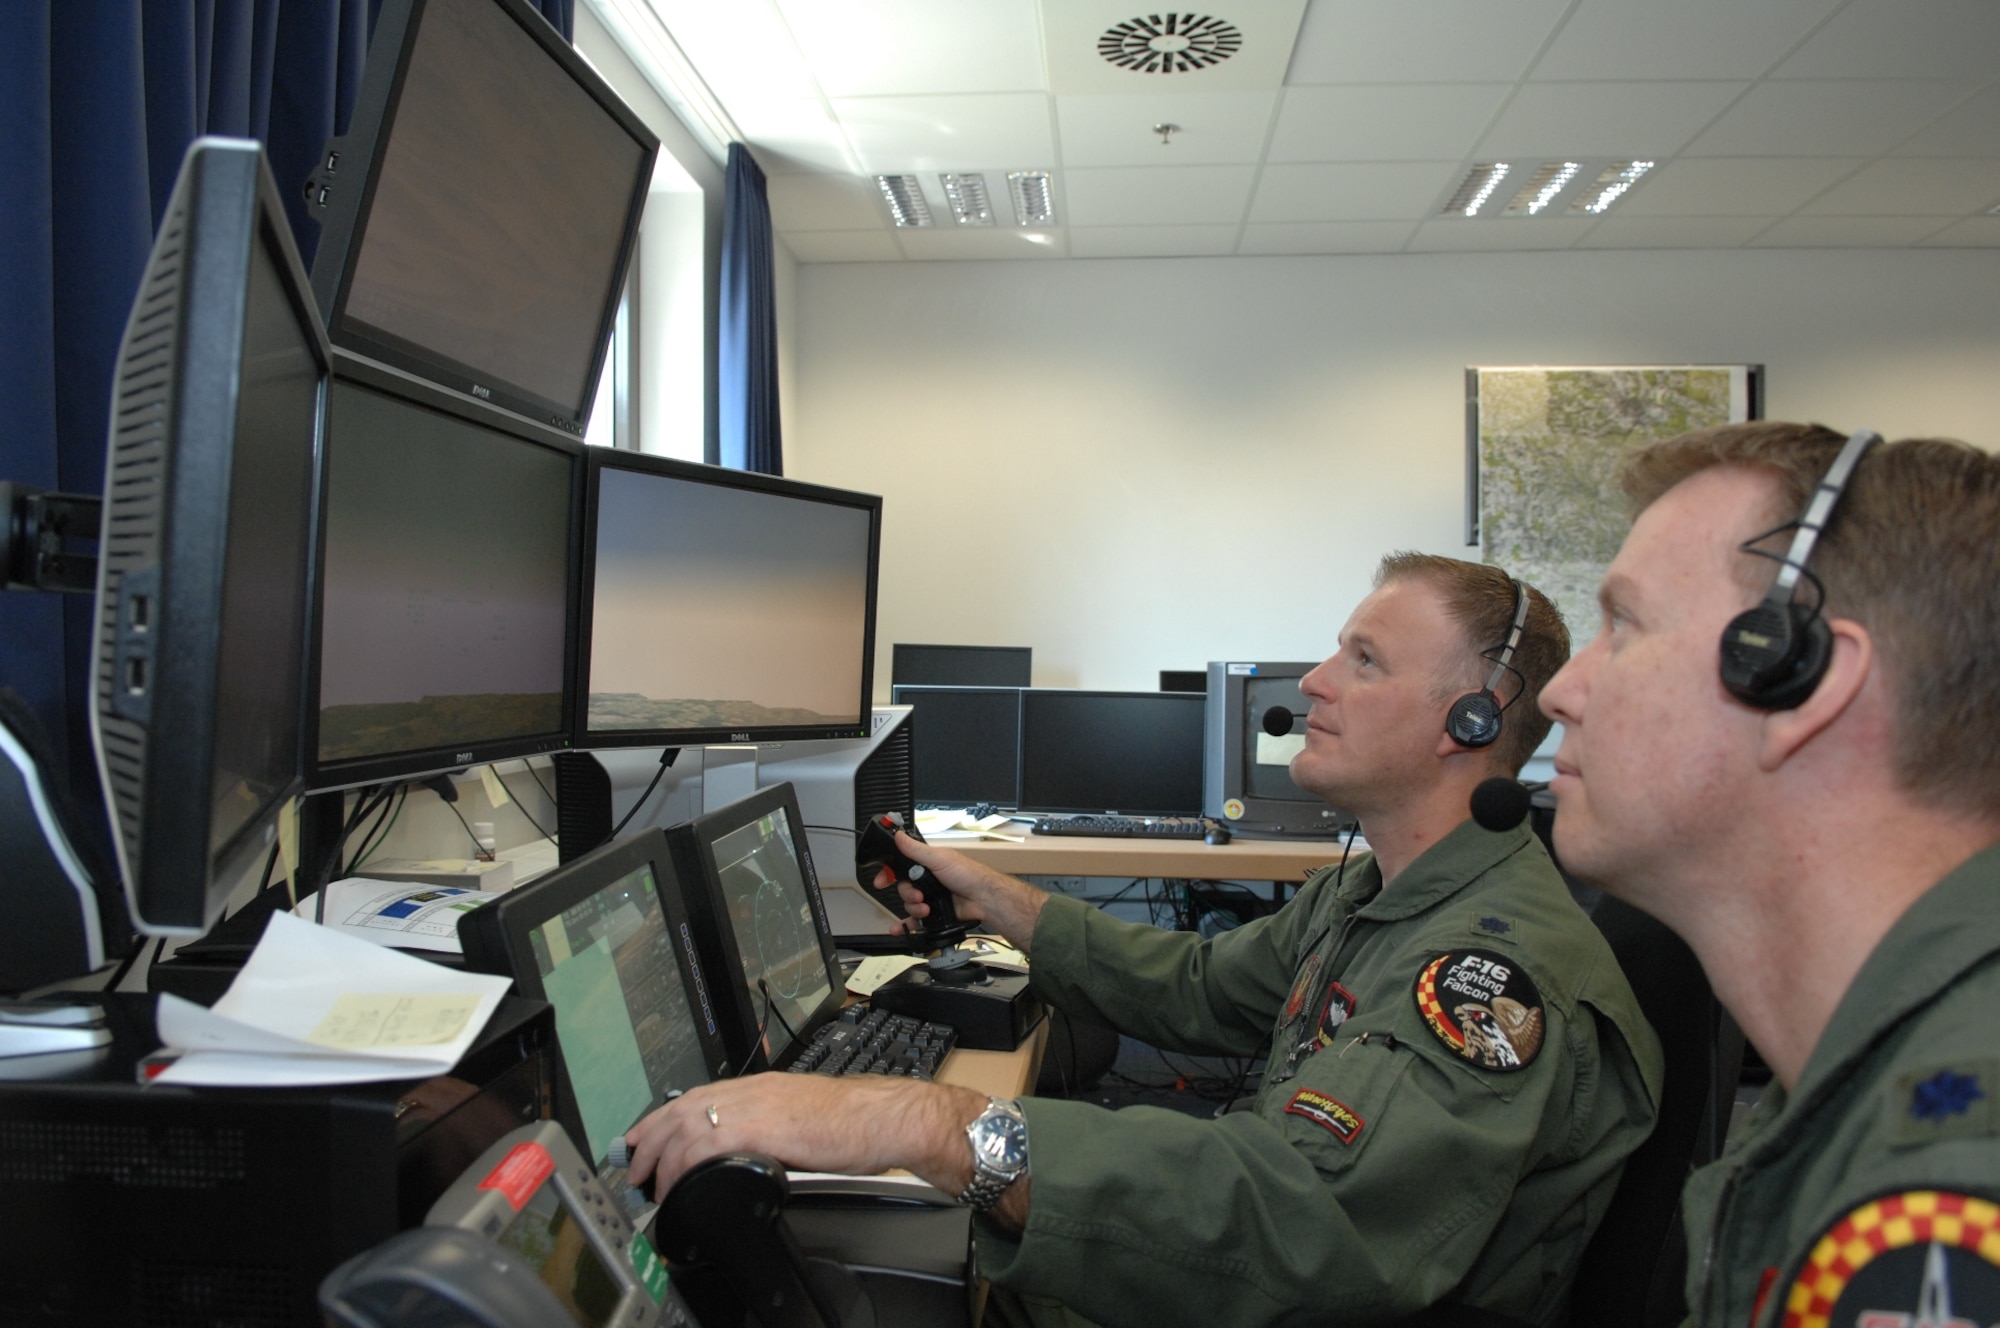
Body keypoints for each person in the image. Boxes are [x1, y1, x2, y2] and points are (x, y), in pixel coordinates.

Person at [627, 553, 1662, 1326]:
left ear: (1467, 723)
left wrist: (926, 1120)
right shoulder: (1373, 889)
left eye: (1362, 658)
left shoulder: (1484, 973)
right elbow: (1207, 986)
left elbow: (1293, 1215)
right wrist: (997, 897)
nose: (1310, 682)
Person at [1536, 422, 2000, 1327]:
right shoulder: (1854, 1076)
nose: (1562, 690)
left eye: (1623, 624)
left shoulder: (1951, 1159)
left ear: (1795, 677)